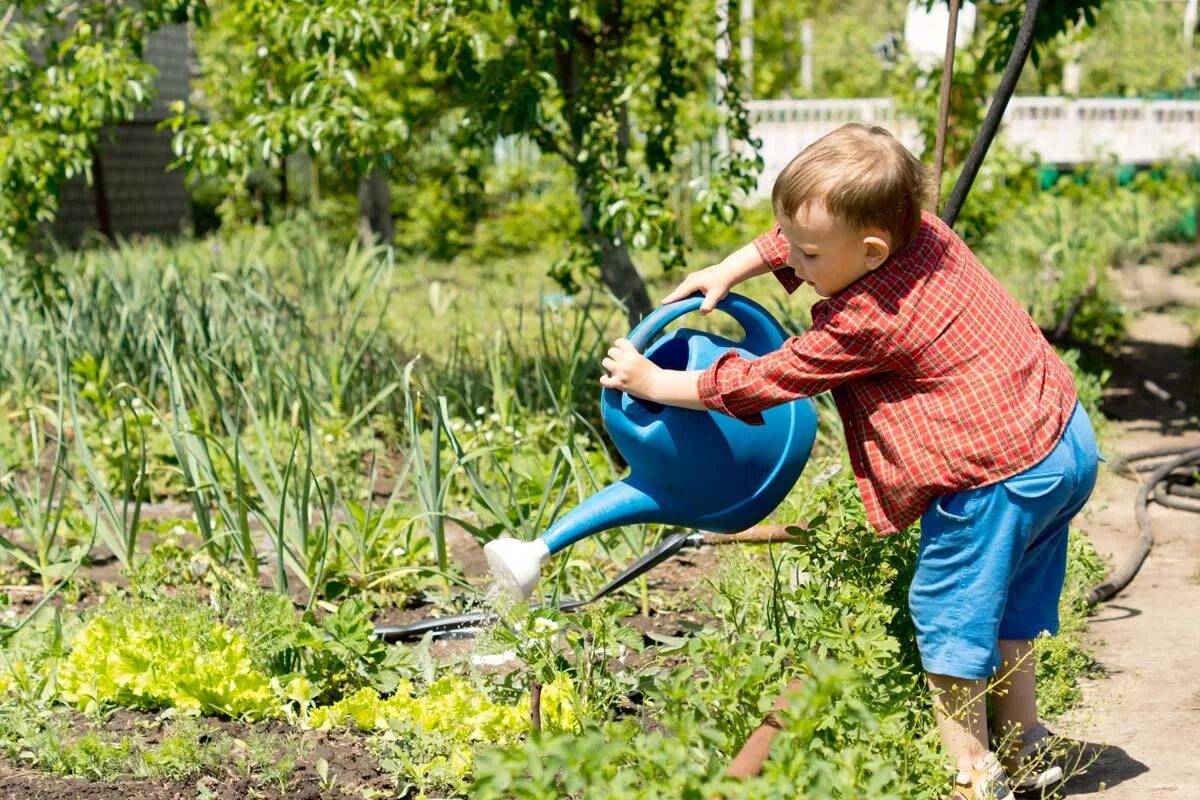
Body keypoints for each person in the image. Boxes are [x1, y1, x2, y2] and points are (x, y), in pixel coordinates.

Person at [599, 123, 1100, 800]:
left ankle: (971, 773)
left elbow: (769, 378)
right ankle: (1025, 738)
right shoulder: (924, 233)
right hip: (1062, 441)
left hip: (995, 478)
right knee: (1014, 598)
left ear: (870, 251)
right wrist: (729, 268)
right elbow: (806, 232)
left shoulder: (868, 320)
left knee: (951, 611)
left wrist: (654, 385)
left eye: (806, 257)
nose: (795, 269)